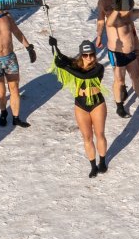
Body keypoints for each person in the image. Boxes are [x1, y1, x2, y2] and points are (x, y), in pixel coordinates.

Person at [46, 37, 109, 177]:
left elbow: (84, 76)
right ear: (81, 55)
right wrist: (54, 47)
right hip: (81, 104)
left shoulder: (99, 68)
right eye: (85, 55)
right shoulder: (75, 65)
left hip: (97, 103)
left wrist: (65, 67)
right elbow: (61, 58)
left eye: (91, 54)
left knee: (99, 134)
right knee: (87, 137)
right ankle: (93, 165)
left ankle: (102, 161)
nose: (89, 58)